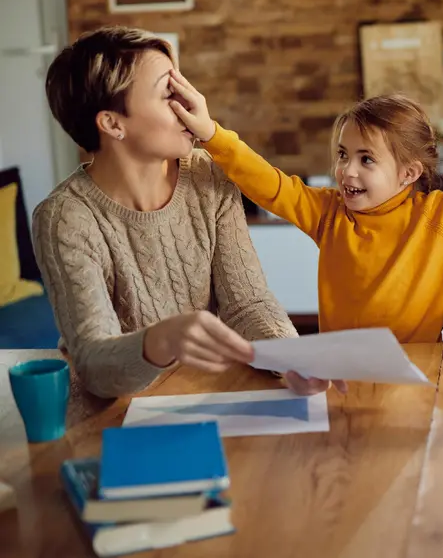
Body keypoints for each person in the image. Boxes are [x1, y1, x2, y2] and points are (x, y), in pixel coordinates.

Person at [168, 36, 443, 345]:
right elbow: (269, 184)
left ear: (408, 173)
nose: (346, 171)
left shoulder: (441, 215)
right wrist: (211, 134)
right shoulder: (327, 212)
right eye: (342, 154)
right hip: (343, 376)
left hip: (420, 372)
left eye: (366, 159)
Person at [33, 26, 323, 398]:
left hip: (208, 394)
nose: (192, 105)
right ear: (112, 123)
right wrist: (159, 341)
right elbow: (93, 363)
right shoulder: (63, 219)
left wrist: (289, 355)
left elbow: (247, 304)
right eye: (169, 92)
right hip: (118, 414)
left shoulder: (208, 174)